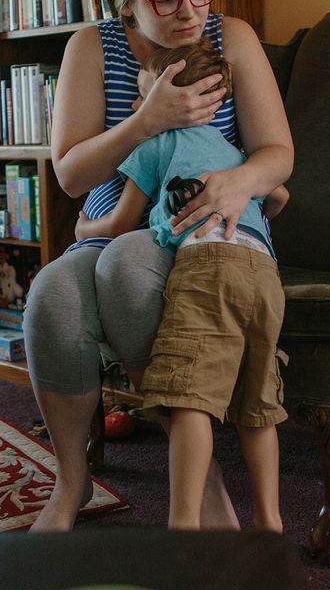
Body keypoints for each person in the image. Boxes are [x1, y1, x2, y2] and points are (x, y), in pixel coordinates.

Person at [23, 0, 294, 532]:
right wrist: (146, 120)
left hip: (209, 233)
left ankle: (196, 471)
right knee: (52, 297)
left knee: (126, 263)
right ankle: (72, 485)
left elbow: (278, 152)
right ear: (127, 2)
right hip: (116, 224)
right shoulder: (91, 48)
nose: (189, 10)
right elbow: (70, 175)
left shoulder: (235, 38)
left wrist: (237, 183)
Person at [73, 40, 288, 531]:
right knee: (258, 403)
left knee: (187, 396)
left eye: (145, 98)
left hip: (208, 266)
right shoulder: (234, 151)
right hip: (263, 271)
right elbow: (279, 196)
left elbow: (121, 223)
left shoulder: (155, 144)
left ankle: (185, 526)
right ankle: (269, 521)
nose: (135, 107)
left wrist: (84, 228)